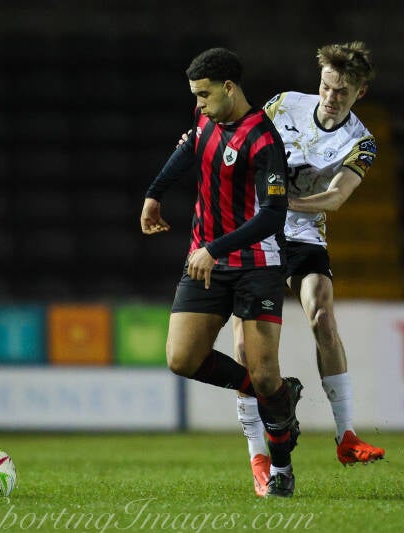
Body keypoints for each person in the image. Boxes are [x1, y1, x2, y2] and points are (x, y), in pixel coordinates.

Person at [140, 47, 302, 498]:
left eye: (205, 94)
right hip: (206, 260)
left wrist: (215, 248)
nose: (199, 104)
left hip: (256, 265)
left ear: (229, 87)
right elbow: (188, 147)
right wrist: (154, 195)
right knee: (181, 359)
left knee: (264, 373)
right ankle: (279, 400)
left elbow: (273, 216)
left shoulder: (265, 140)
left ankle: (282, 470)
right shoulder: (208, 121)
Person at [232, 41, 386, 497]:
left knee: (322, 313)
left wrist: (287, 202)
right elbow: (244, 138)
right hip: (258, 228)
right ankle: (259, 455)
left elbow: (337, 197)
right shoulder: (284, 104)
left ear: (360, 92)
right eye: (326, 86)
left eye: (342, 91)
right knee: (245, 341)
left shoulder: (360, 142)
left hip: (304, 232)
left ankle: (346, 436)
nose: (330, 97)